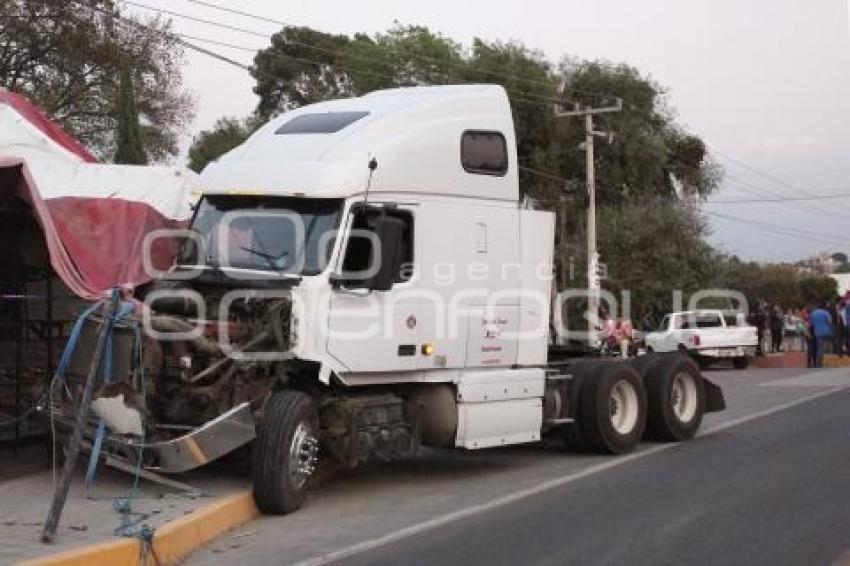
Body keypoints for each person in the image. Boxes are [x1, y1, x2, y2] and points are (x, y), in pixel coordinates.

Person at [809, 302, 833, 368]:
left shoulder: (813, 313)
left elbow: (811, 324)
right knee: (824, 347)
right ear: (824, 307)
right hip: (826, 332)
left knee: (819, 347)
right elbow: (830, 321)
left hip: (817, 332)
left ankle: (818, 362)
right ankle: (820, 362)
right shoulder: (826, 313)